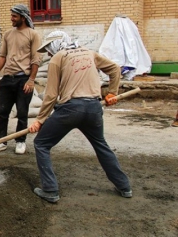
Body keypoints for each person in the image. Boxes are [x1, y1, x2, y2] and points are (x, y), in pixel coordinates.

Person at [28, 30, 132, 203]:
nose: (47, 52)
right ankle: (124, 187)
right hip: (93, 108)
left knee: (41, 143)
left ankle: (50, 190)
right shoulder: (89, 53)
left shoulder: (57, 58)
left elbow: (51, 94)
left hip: (70, 109)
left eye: (48, 48)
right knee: (101, 145)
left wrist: (40, 120)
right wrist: (112, 92)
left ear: (56, 44)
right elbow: (114, 68)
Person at [0, 4, 42, 154]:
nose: (11, 19)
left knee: (22, 112)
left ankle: (20, 141)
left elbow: (36, 59)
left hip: (23, 80)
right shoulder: (7, 34)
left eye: (14, 16)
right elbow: (2, 56)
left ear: (23, 18)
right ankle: (1, 141)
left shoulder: (33, 35)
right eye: (11, 15)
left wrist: (31, 80)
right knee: (2, 112)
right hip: (7, 79)